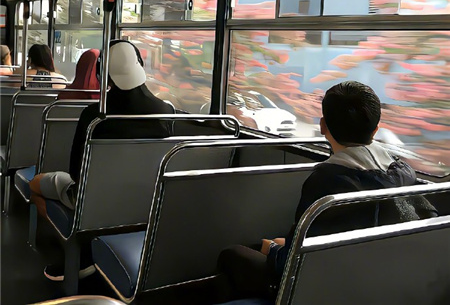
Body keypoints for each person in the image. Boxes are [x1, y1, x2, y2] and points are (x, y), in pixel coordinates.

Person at [217, 81, 437, 302]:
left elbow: (297, 262)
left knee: (233, 255)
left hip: (336, 284)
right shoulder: (403, 173)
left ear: (323, 126)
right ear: (375, 129)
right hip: (390, 280)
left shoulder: (327, 182)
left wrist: (274, 249)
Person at [29, 40, 174, 281]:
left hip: (93, 200)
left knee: (35, 185)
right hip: (145, 199)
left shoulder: (95, 115)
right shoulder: (166, 111)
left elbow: (76, 172)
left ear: (102, 74)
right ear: (140, 64)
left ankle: (77, 252)